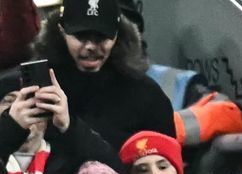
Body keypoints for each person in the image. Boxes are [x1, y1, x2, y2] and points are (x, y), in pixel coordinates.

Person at [29, 0, 175, 153]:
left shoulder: (148, 95)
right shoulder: (35, 85)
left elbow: (165, 161)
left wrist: (69, 128)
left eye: (101, 37)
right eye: (81, 36)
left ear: (117, 34)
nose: (91, 46)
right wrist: (14, 126)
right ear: (62, 30)